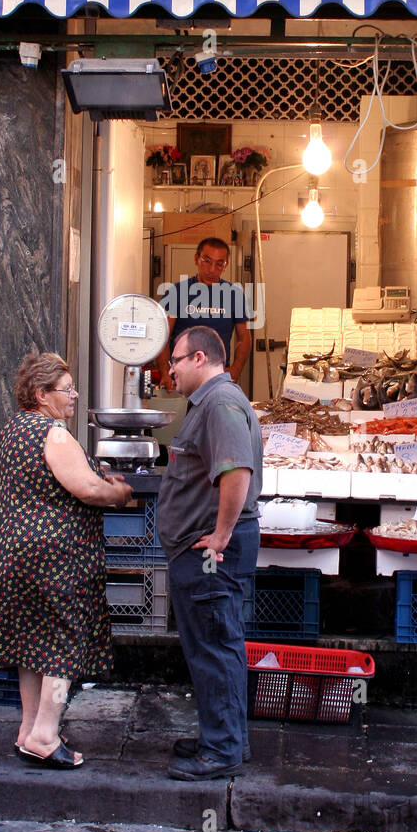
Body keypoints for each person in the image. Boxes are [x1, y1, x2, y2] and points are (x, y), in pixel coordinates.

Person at [0, 352, 132, 769]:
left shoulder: (11, 430)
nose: (75, 395)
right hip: (54, 557)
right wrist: (117, 492)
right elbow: (87, 491)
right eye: (66, 389)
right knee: (63, 646)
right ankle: (46, 733)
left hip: (9, 550)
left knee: (31, 643)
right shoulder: (53, 434)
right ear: (42, 394)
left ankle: (29, 730)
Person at [155, 325, 263, 780]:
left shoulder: (219, 403)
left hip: (210, 551)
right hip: (201, 547)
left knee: (216, 646)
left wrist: (219, 536)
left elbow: (236, 472)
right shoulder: (213, 402)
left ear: (199, 359)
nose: (170, 370)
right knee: (215, 645)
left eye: (175, 360)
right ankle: (224, 737)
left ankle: (222, 751)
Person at [155, 237, 252, 389]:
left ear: (225, 265)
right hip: (182, 378)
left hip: (217, 379)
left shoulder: (234, 295)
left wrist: (235, 370)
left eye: (219, 264)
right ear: (196, 259)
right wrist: (165, 373)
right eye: (207, 261)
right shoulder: (176, 292)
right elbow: (163, 336)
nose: (212, 269)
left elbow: (244, 337)